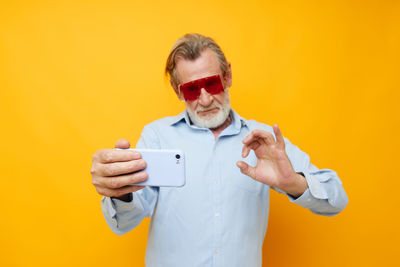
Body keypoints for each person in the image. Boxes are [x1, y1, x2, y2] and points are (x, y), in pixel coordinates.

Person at [91, 33, 348, 267]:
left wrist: (293, 183)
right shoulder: (157, 136)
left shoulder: (264, 140)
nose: (204, 100)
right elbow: (123, 223)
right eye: (191, 89)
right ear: (177, 92)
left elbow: (336, 199)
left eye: (212, 84)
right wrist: (121, 192)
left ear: (228, 76)